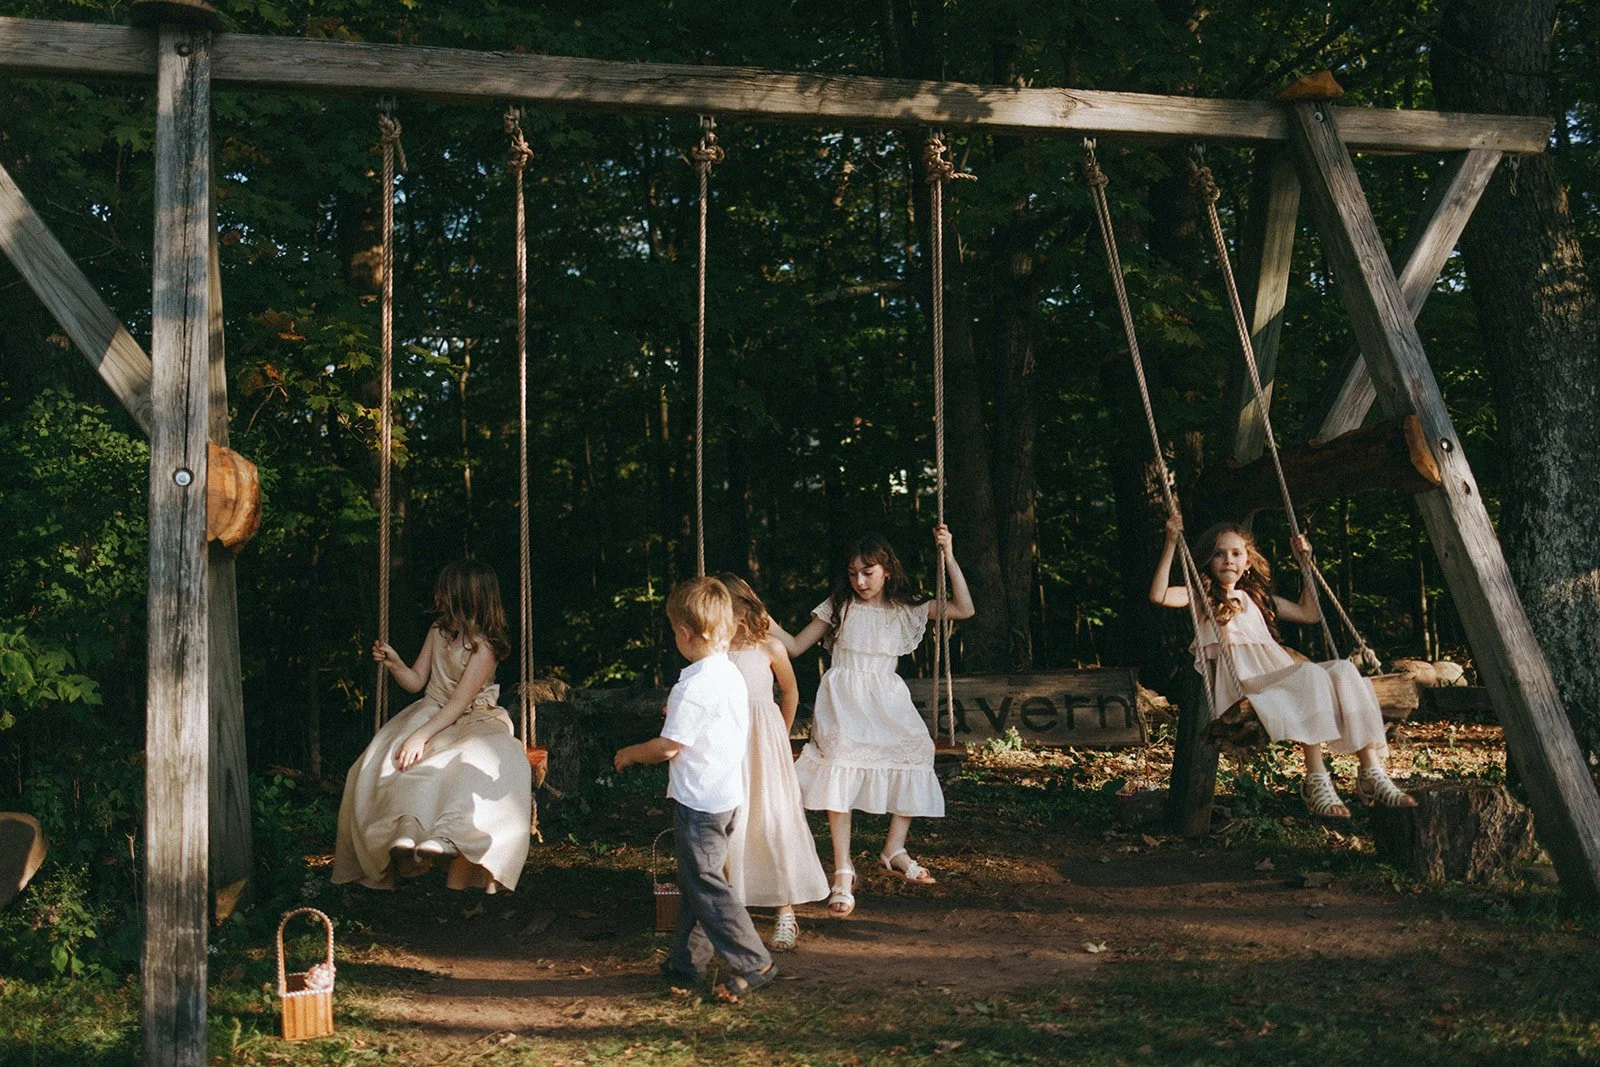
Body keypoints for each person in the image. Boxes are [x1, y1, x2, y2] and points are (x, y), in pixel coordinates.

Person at [770, 524, 974, 919]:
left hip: (885, 697)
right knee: (841, 767)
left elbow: (964, 609)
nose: (860, 581)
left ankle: (893, 848)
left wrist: (948, 555)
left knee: (918, 750)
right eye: (853, 573)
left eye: (868, 572)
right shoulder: (838, 606)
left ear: (887, 572)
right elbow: (794, 646)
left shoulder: (905, 608)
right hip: (844, 701)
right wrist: (761, 618)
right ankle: (843, 870)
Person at [1149, 516, 1416, 817]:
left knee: (1343, 669)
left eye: (1236, 553)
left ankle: (1370, 771)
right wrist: (1171, 541)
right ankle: (1316, 779)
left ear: (1248, 562)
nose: (1228, 560)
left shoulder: (1258, 599)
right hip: (1248, 684)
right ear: (1209, 561)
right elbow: (1158, 595)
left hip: (1281, 676)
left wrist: (1305, 565)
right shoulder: (1203, 596)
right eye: (1219, 553)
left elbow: (1309, 613)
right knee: (1310, 673)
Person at [614, 576, 777, 1001]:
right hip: (726, 796)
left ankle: (751, 958)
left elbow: (668, 747)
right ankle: (687, 962)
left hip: (700, 804)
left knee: (705, 882)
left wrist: (630, 752)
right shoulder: (729, 674)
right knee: (694, 880)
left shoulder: (693, 687)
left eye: (674, 631)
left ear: (685, 634)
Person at [334, 560, 533, 892]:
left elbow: (458, 705)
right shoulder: (438, 632)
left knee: (459, 765)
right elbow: (415, 682)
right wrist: (396, 663)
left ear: (462, 597)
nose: (437, 596)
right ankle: (406, 834)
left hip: (472, 720)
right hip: (430, 711)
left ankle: (448, 836)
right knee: (380, 765)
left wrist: (419, 736)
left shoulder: (484, 648)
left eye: (444, 591)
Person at [717, 574, 830, 951]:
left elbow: (790, 690)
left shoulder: (768, 647)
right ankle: (732, 906)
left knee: (772, 817)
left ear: (740, 607)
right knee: (732, 817)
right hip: (727, 742)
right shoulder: (712, 649)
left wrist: (780, 733)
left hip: (763, 741)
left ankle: (785, 912)